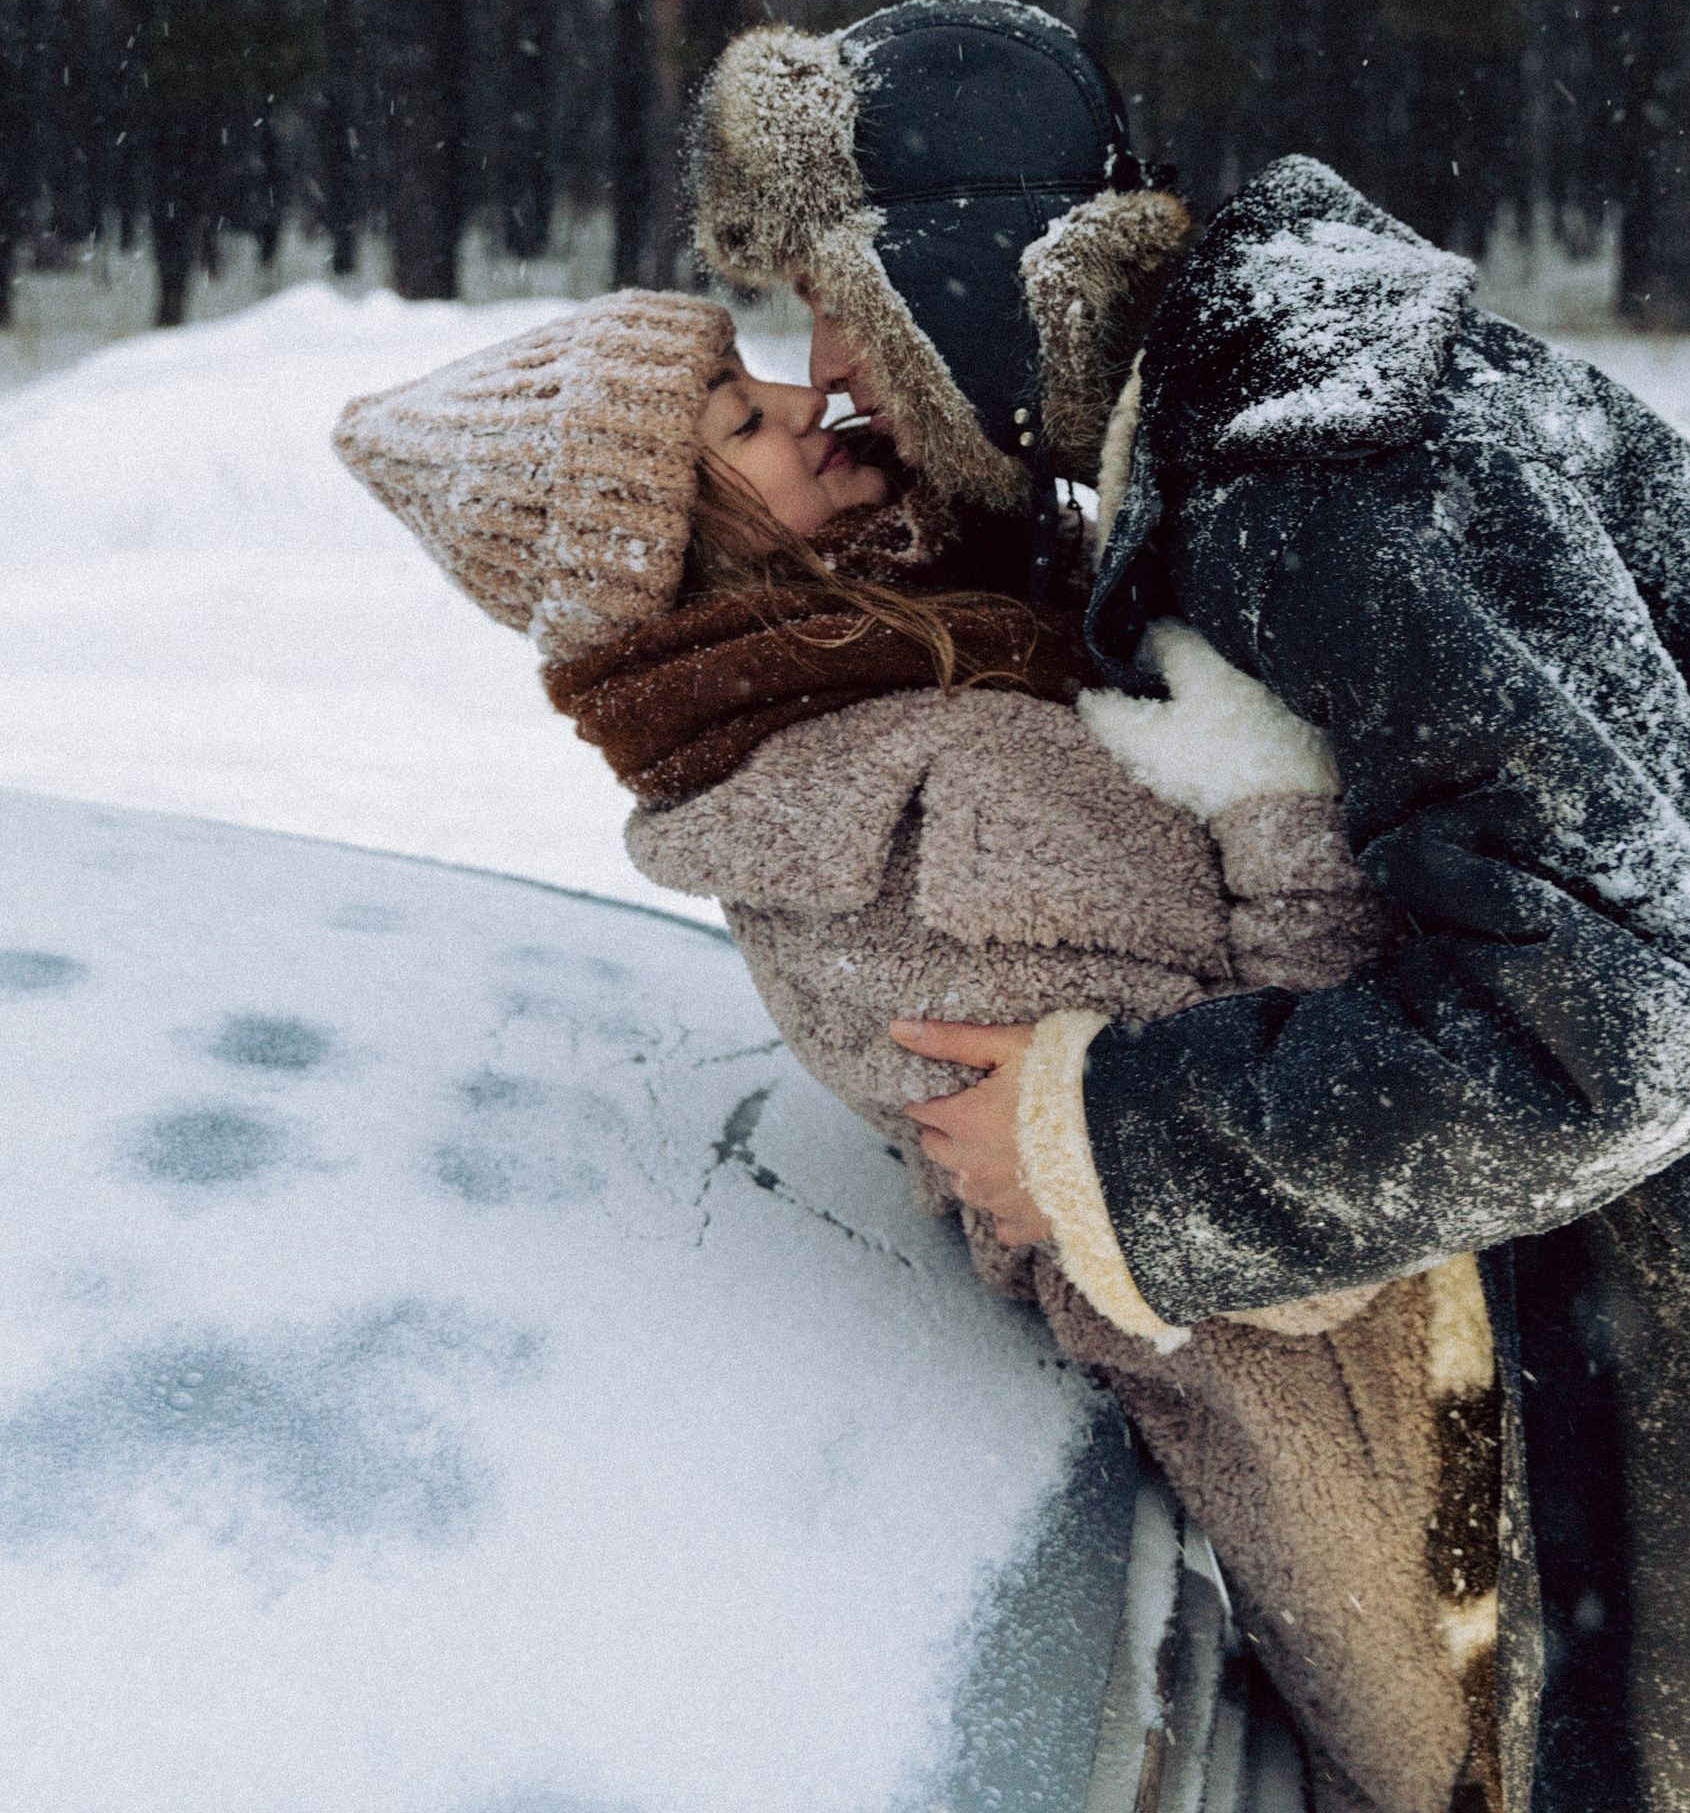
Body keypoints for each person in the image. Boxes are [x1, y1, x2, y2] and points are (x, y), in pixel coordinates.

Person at [689, 0, 1690, 1813]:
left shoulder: (1333, 471)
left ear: (958, 277)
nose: (833, 369)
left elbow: (1650, 1004)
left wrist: (1118, 1149)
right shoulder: (1265, 414)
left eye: (835, 297)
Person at [332, 290, 1505, 1813]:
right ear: (678, 546)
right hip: (1398, 1456)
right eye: (741, 421)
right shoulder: (912, 825)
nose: (802, 405)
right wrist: (1272, 785)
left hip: (1468, 1343)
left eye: (762, 378)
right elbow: (1276, 1197)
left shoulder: (919, 667)